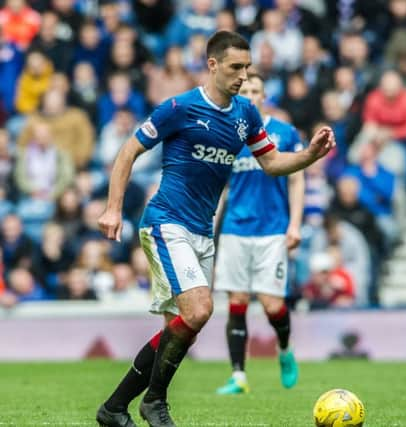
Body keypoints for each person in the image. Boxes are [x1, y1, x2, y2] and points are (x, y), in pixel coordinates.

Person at [95, 30, 334, 427]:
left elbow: (272, 164)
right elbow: (128, 150)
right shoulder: (180, 107)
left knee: (183, 325)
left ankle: (114, 408)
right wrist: (112, 208)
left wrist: (309, 154)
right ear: (212, 65)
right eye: (235, 67)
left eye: (247, 68)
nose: (243, 75)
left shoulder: (245, 115)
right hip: (166, 223)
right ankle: (154, 402)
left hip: (202, 233)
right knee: (200, 309)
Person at [214, 72, 304, 395]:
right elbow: (221, 187)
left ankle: (284, 349)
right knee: (236, 300)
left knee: (271, 304)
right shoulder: (228, 135)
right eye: (245, 90)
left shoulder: (283, 133)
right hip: (236, 229)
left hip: (271, 230)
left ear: (264, 97)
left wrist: (295, 224)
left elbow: (296, 179)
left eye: (256, 90)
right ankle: (238, 376)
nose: (250, 95)